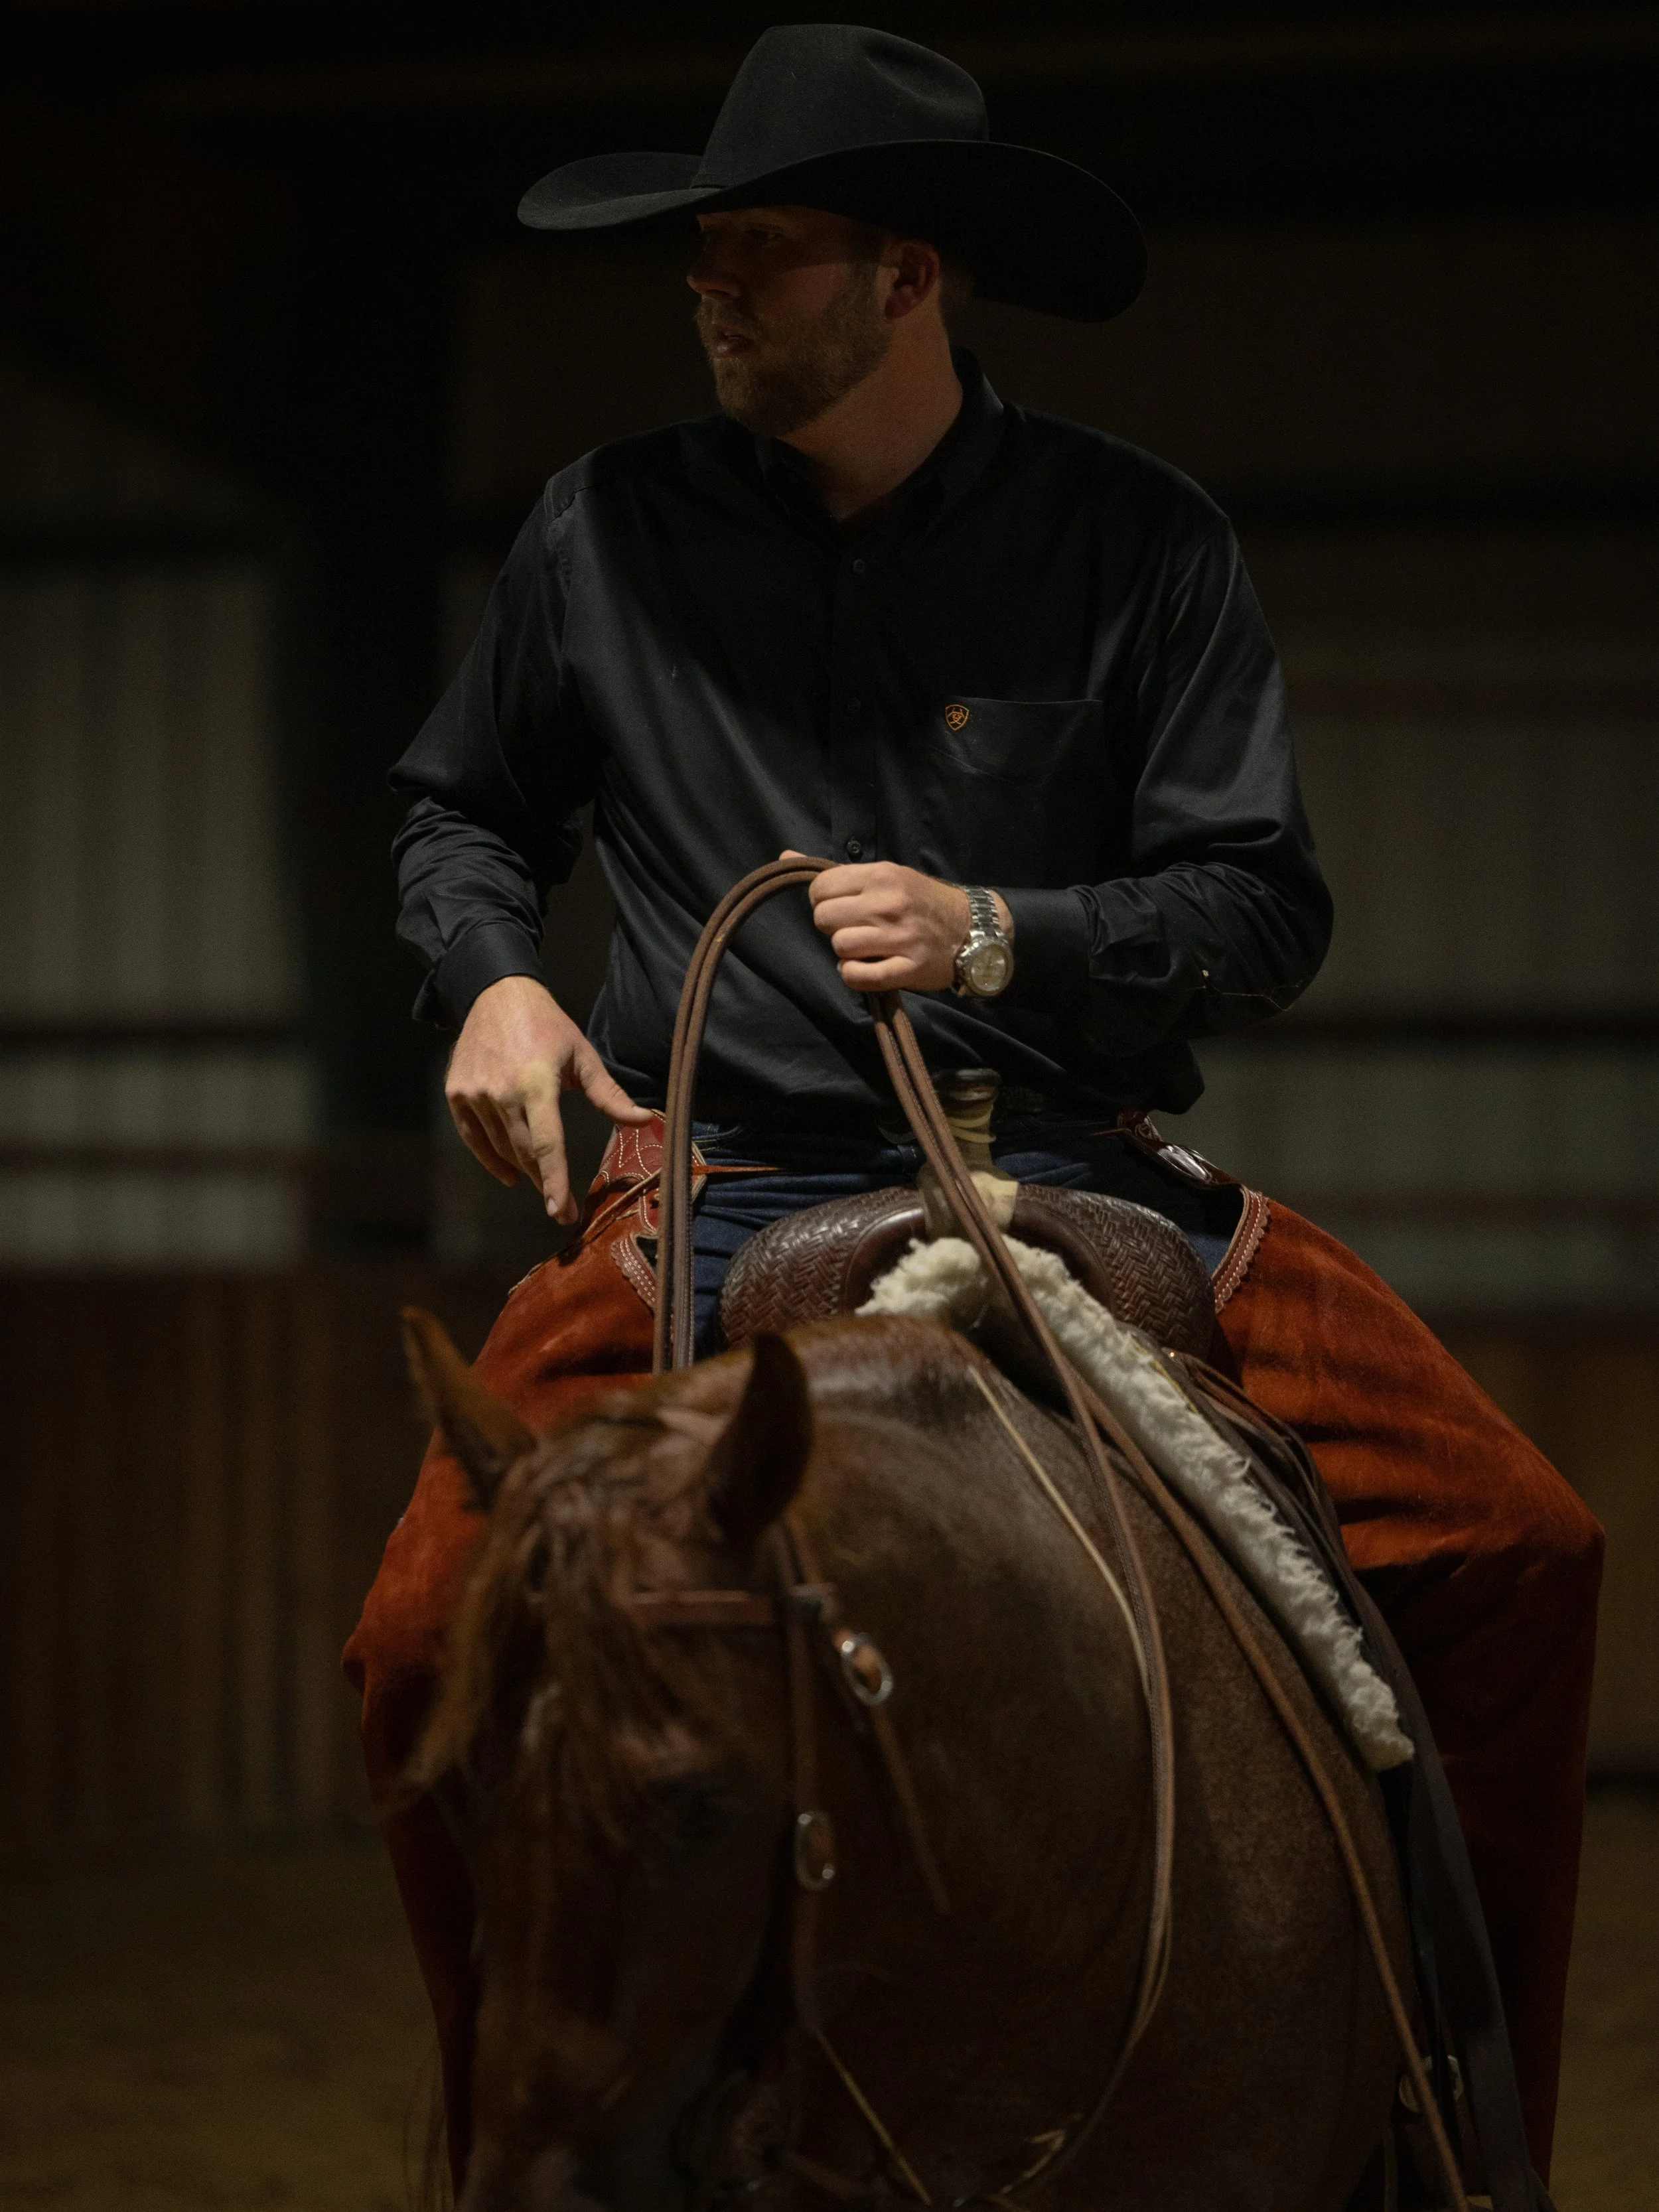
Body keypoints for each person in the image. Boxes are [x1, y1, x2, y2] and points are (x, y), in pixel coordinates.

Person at [344, 25, 1601, 2195]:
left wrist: (1001, 932)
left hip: (1064, 1178)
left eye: (764, 250)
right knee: (409, 1642)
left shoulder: (1136, 545)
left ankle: (1453, 2129)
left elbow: (1260, 905)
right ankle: (509, 2140)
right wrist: (505, 983)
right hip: (705, 1194)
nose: (712, 288)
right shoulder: (604, 532)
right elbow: (459, 808)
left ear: (907, 278)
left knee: (1514, 1545)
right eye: (703, 254)